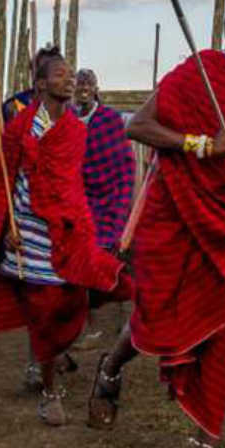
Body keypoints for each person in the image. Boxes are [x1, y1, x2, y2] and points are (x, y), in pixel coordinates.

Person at [87, 1, 225, 448]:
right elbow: (138, 126)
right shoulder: (204, 70)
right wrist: (203, 144)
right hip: (176, 218)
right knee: (159, 318)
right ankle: (110, 367)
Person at [0, 54, 132, 426]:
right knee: (42, 313)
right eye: (61, 74)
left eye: (71, 74)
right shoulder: (19, 127)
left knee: (79, 299)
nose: (70, 79)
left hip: (69, 227)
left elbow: (73, 183)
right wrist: (5, 227)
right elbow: (4, 182)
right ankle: (49, 392)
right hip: (29, 234)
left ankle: (58, 353)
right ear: (41, 84)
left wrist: (83, 223)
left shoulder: (75, 129)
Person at [74, 68, 137, 345]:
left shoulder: (110, 120)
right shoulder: (67, 120)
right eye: (80, 84)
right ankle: (93, 331)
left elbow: (126, 163)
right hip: (81, 203)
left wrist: (123, 204)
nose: (83, 89)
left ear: (96, 89)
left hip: (113, 201)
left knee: (119, 261)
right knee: (84, 267)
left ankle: (127, 322)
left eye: (88, 84)